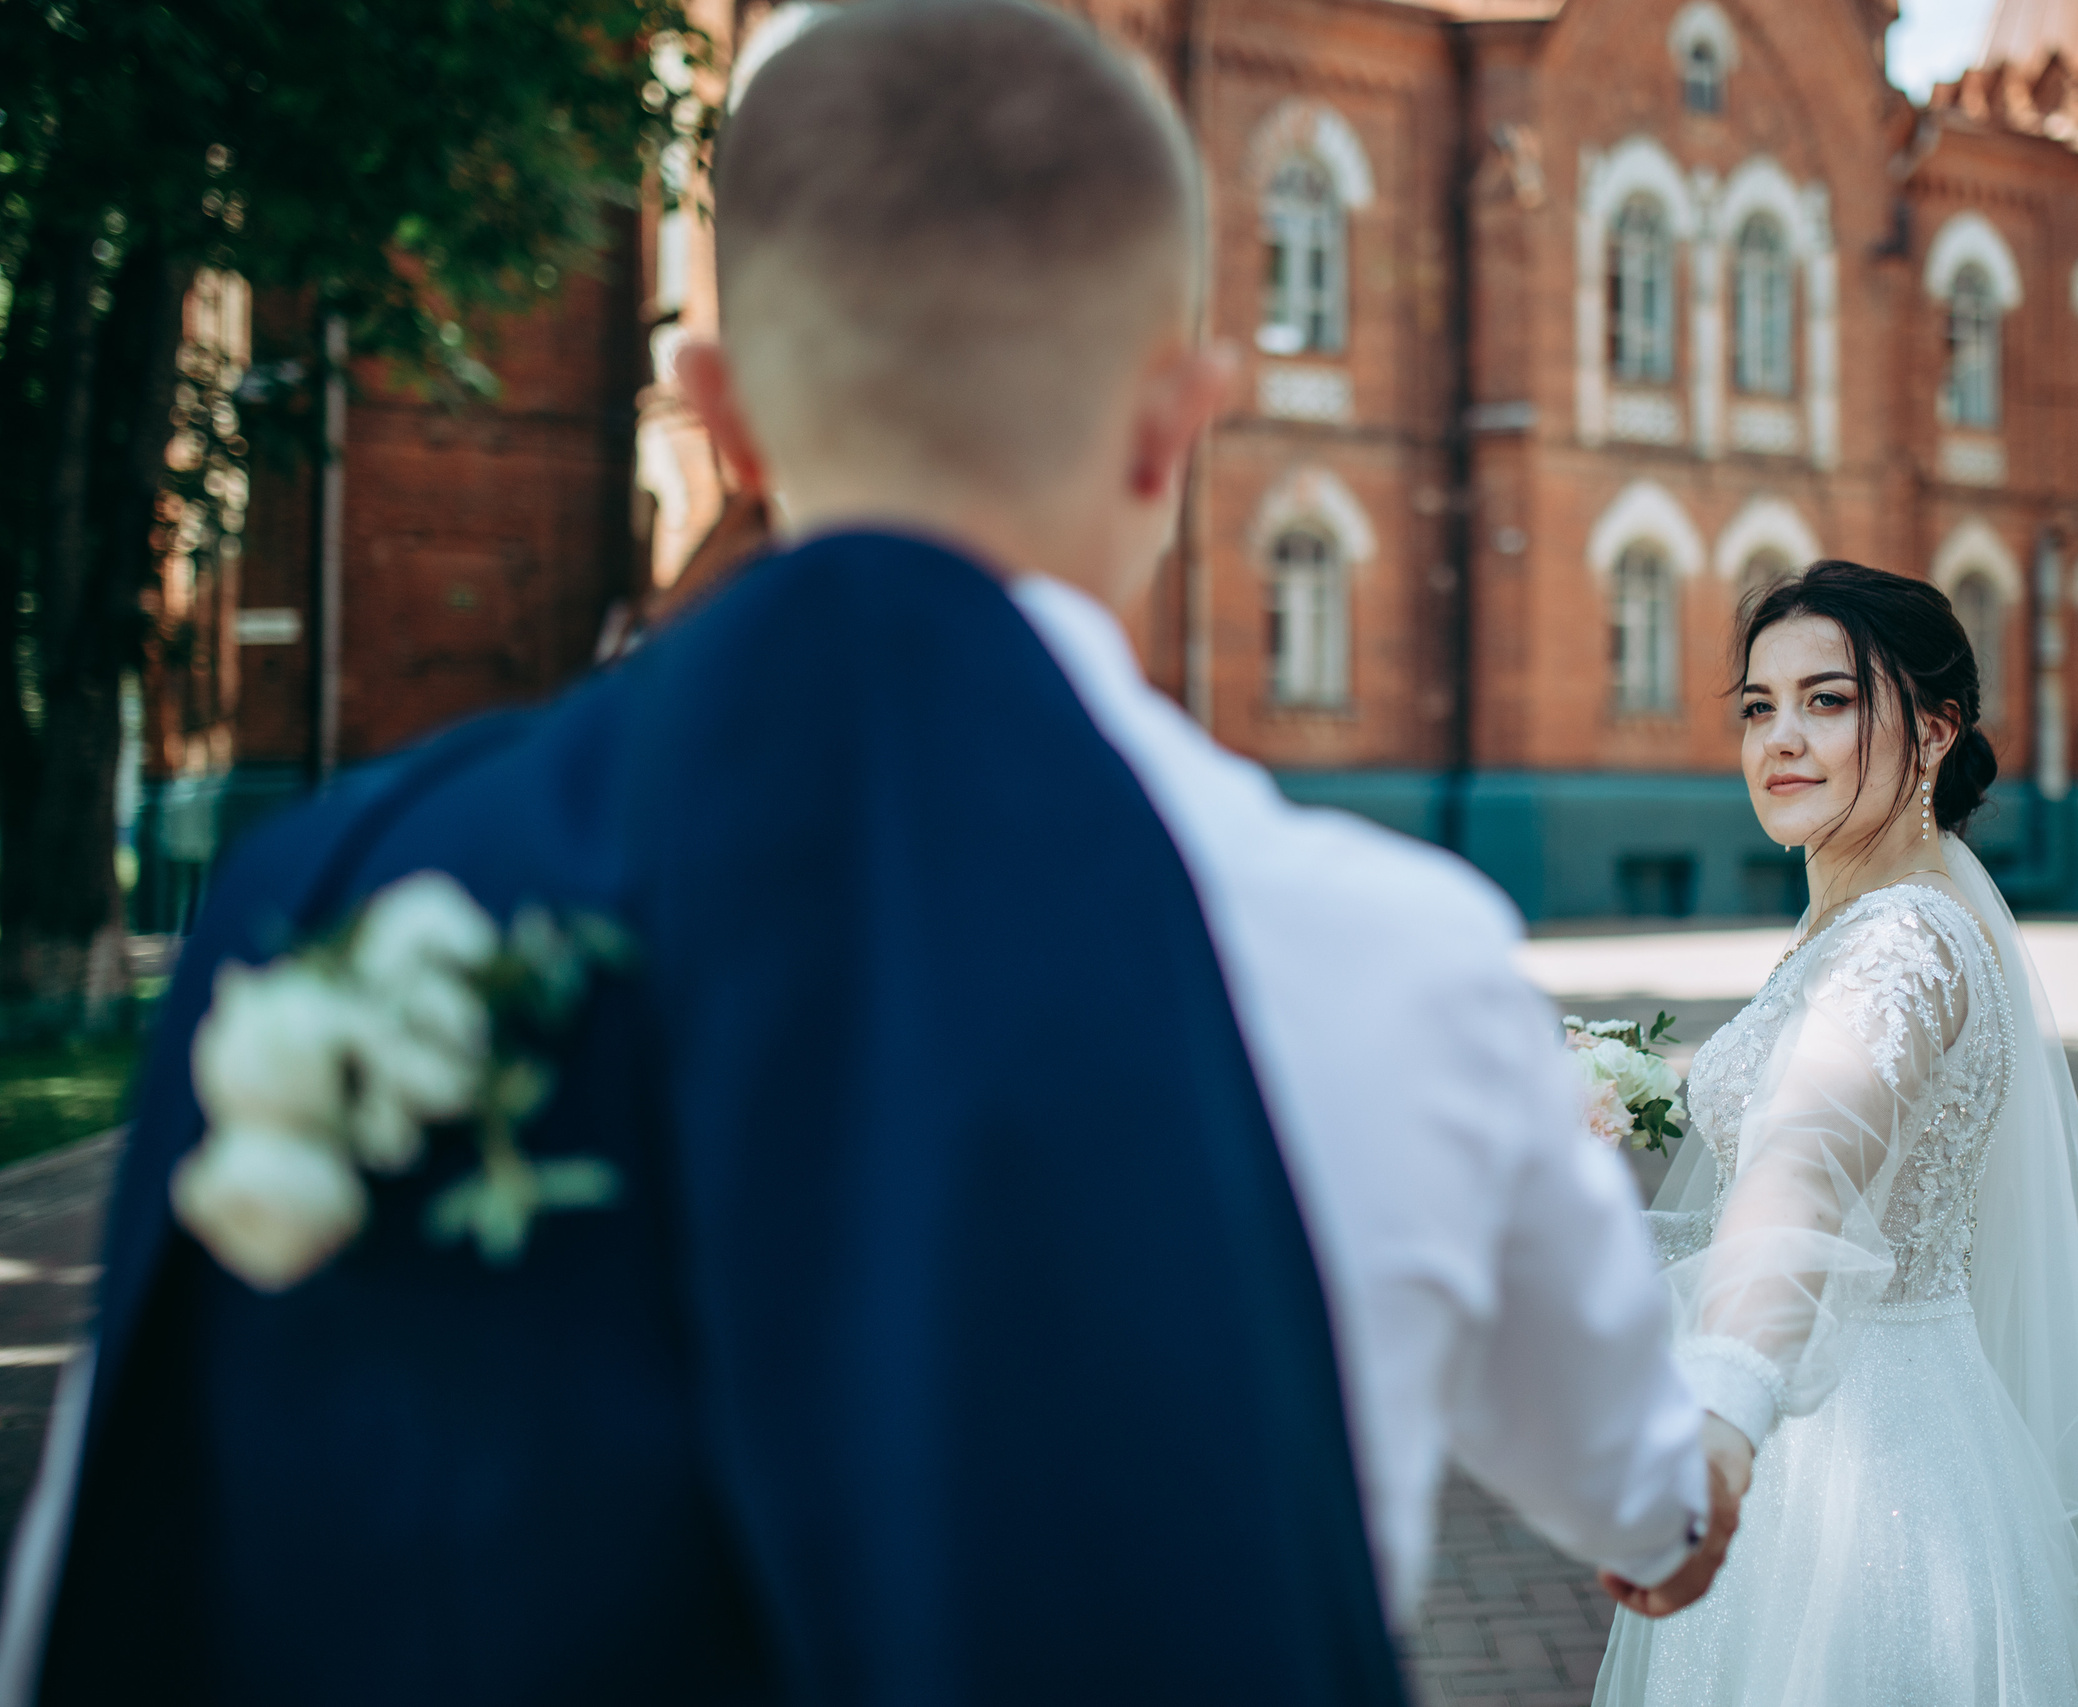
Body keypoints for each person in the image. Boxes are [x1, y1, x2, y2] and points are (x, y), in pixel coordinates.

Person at [0, 4, 1740, 1702]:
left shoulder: (335, 894)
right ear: (1178, 418)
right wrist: (1682, 1517)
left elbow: (104, 1584)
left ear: (721, 414)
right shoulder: (1397, 954)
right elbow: (1631, 1472)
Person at [1591, 562, 2078, 1707]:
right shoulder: (1870, 923)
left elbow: (1804, 1169)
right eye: (1758, 706)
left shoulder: (1900, 949)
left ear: (1934, 730)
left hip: (1858, 1496)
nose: (1781, 739)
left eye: (1828, 701)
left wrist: (1727, 1413)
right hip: (1866, 1431)